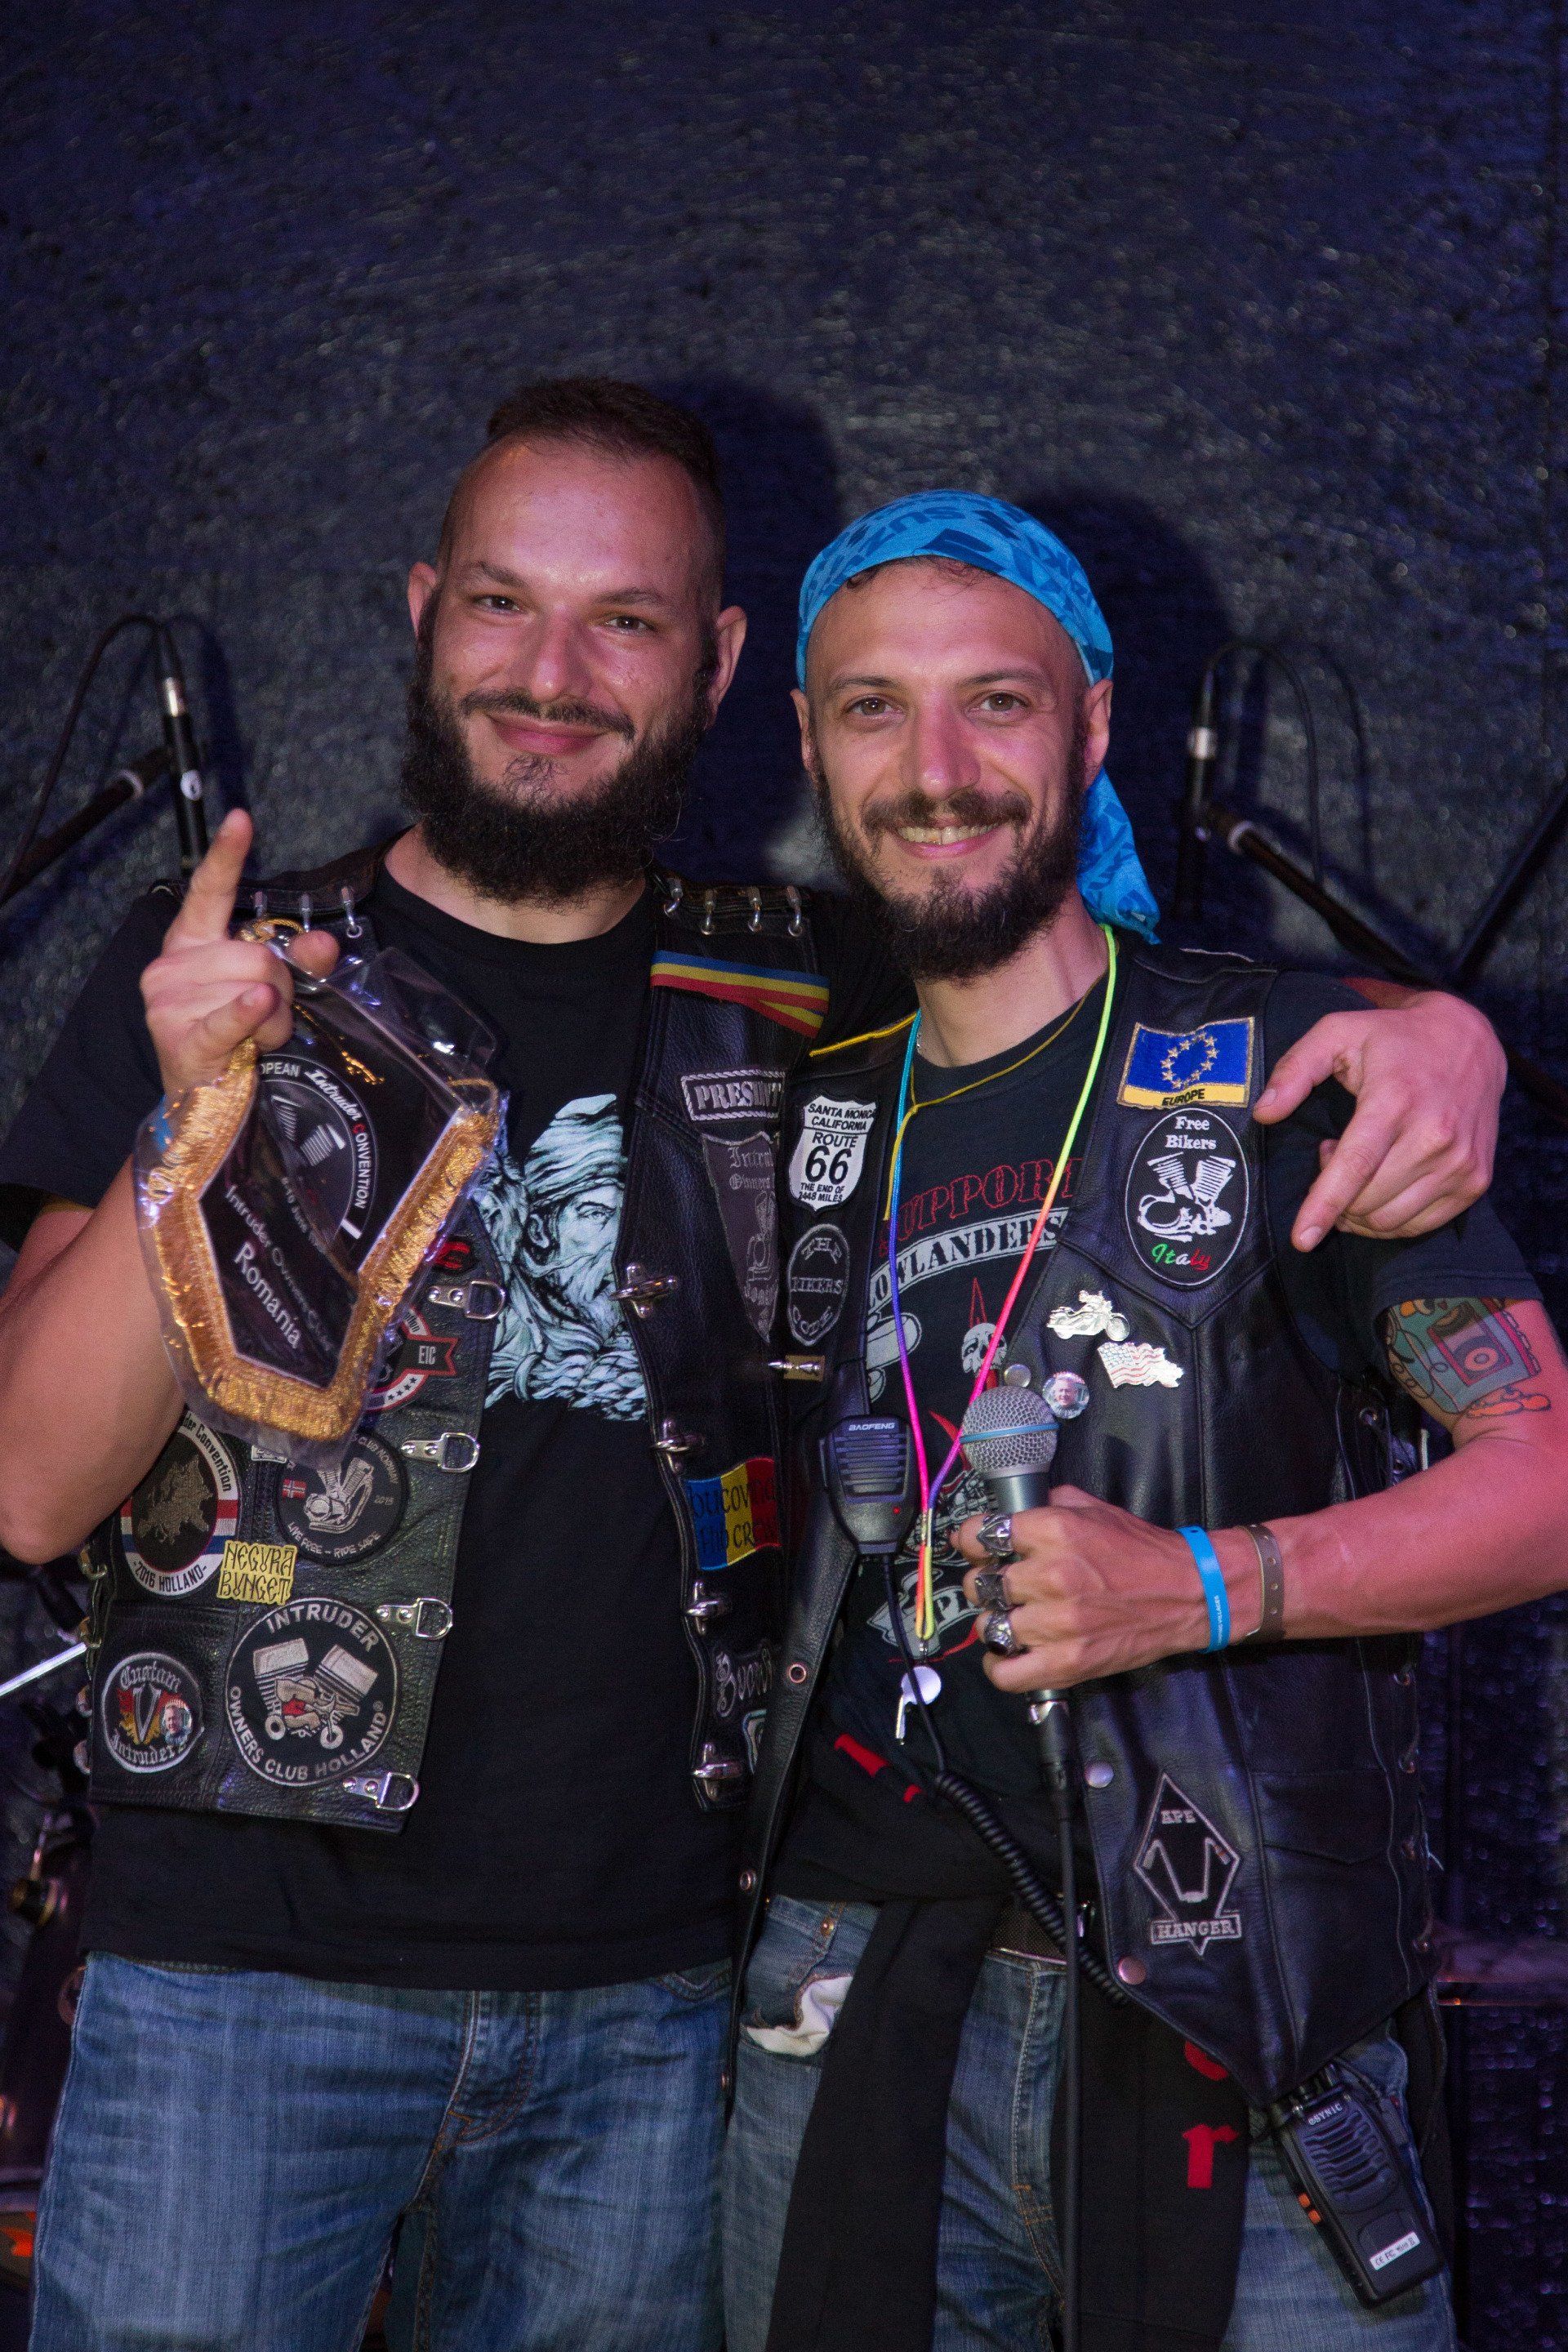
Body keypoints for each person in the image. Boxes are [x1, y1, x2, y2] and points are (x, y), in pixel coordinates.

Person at [0, 390, 1509, 2352]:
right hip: (235, 1992)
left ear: (719, 670)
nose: (552, 673)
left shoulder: (809, 985)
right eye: (503, 603)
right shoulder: (221, 970)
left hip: (657, 2019)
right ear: (423, 611)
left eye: (623, 620)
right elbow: (31, 1487)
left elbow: (1106, 984)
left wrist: (1433, 1027)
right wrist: (188, 1128)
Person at [724, 492, 1568, 2352]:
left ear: (1095, 719)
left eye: (996, 703)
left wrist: (1198, 1584)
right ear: (805, 738)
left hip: (1242, 2001)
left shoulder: (1293, 1072)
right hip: (849, 1997)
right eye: (873, 708)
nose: (935, 770)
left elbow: (1549, 1481)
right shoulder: (794, 1102)